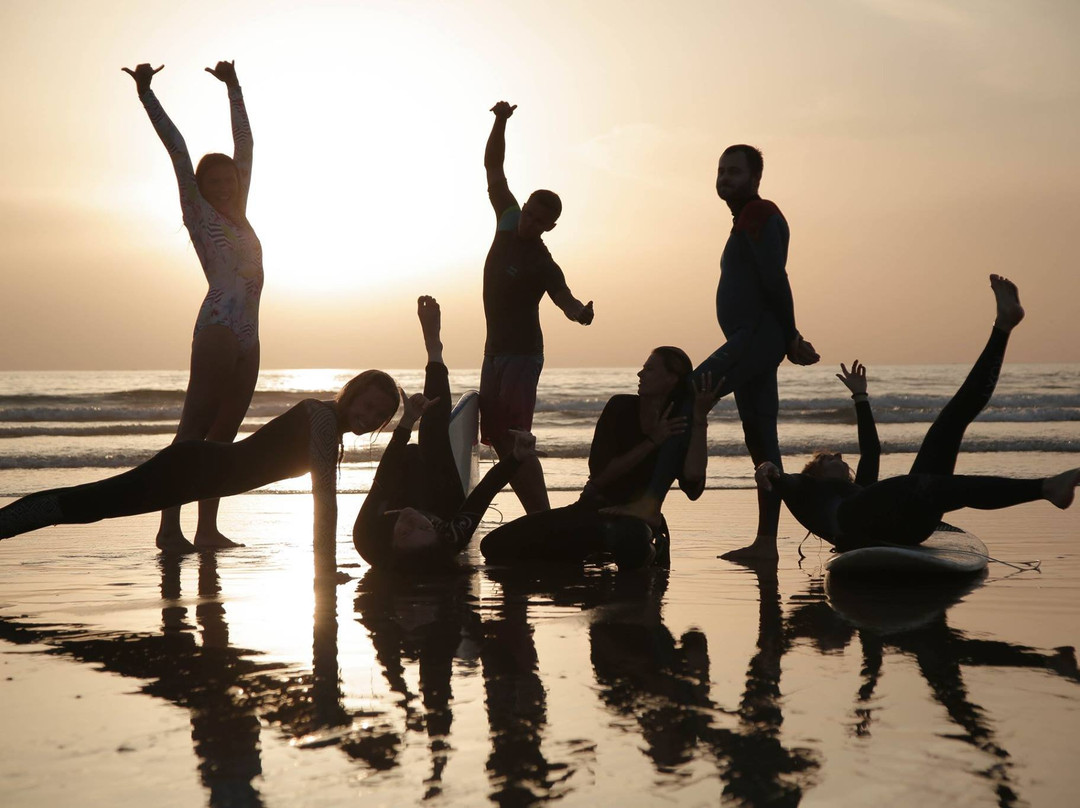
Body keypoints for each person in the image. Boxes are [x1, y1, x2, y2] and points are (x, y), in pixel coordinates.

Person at [755, 275, 1079, 550]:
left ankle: (1004, 326)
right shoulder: (810, 492)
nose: (838, 453)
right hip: (868, 527)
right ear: (815, 475)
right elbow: (787, 483)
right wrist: (771, 471)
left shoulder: (860, 489)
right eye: (827, 458)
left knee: (947, 426)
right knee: (921, 485)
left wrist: (861, 397)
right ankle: (1044, 487)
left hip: (908, 520)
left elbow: (871, 450)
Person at [606, 145, 818, 560]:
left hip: (755, 336)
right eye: (721, 171)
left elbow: (776, 278)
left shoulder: (760, 213)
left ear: (755, 178)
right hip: (756, 339)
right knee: (761, 440)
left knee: (686, 396)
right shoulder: (746, 220)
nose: (724, 178)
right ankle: (767, 544)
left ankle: (650, 504)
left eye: (734, 171)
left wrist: (790, 336)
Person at [0, 370, 401, 576]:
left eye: (379, 415)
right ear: (351, 393)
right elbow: (325, 502)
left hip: (198, 472)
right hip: (191, 469)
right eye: (366, 406)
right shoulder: (323, 419)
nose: (368, 418)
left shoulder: (329, 428)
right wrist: (325, 571)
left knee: (87, 503)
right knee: (86, 504)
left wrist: (411, 417)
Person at [122, 61, 264, 552]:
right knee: (194, 429)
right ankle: (168, 527)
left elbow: (245, 146)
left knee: (224, 435)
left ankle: (207, 530)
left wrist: (234, 87)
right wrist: (147, 93)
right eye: (215, 180)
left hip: (251, 334)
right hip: (219, 328)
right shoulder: (197, 211)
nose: (225, 184)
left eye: (230, 178)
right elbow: (178, 150)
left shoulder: (242, 213)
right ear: (201, 187)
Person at [480, 347, 721, 570]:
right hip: (590, 510)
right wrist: (652, 442)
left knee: (630, 539)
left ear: (671, 378)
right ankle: (583, 553)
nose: (640, 373)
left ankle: (651, 550)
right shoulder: (620, 407)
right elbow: (602, 475)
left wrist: (699, 419)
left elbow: (693, 483)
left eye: (649, 369)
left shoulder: (678, 425)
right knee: (494, 545)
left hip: (636, 521)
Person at [352, 297, 539, 571]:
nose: (413, 519)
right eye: (426, 529)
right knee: (433, 437)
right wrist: (516, 457)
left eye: (403, 532)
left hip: (400, 478)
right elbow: (484, 492)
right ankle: (435, 350)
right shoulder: (452, 535)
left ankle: (432, 353)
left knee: (416, 448)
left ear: (392, 543)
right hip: (442, 499)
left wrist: (405, 423)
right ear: (438, 535)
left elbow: (385, 476)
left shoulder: (367, 537)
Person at [481, 101, 594, 515]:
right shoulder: (507, 218)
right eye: (528, 213)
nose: (528, 223)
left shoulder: (543, 263)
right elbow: (494, 166)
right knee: (494, 434)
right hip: (493, 352)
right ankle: (534, 514)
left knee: (516, 436)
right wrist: (500, 121)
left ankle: (540, 515)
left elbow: (564, 298)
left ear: (550, 227)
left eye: (538, 221)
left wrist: (580, 312)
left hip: (523, 356)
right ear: (524, 208)